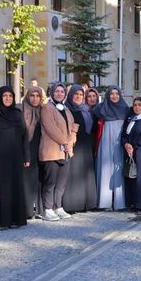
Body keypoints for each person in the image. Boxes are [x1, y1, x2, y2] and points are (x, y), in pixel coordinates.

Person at [0, 86, 30, 230]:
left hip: (16, 158)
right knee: (1, 189)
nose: (7, 98)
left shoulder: (17, 113)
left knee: (15, 188)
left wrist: (26, 156)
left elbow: (24, 136)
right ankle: (1, 221)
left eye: (10, 95)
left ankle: (15, 219)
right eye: (4, 96)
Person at [39, 83, 78, 221]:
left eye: (62, 91)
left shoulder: (66, 109)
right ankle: (48, 209)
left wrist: (71, 141)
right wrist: (65, 142)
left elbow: (73, 127)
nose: (60, 93)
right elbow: (51, 128)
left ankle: (58, 207)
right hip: (51, 150)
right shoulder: (46, 108)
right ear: (52, 93)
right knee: (50, 182)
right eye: (57, 91)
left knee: (61, 182)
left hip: (66, 151)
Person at [63, 85, 98, 213]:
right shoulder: (67, 109)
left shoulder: (87, 110)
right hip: (74, 146)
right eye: (76, 94)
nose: (78, 97)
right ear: (71, 95)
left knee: (86, 174)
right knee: (74, 174)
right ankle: (73, 204)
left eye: (81, 95)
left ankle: (87, 203)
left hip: (86, 145)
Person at [94, 86, 130, 210]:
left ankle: (119, 201)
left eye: (117, 94)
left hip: (119, 139)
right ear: (108, 95)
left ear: (120, 95)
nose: (114, 96)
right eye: (112, 94)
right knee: (105, 167)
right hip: (105, 139)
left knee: (118, 166)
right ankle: (105, 202)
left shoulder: (125, 109)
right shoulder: (100, 108)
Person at [21, 86, 45, 219]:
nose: (35, 99)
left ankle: (39, 209)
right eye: (32, 95)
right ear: (27, 96)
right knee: (27, 180)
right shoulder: (21, 109)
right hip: (26, 150)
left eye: (37, 96)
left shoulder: (43, 110)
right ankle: (27, 209)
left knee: (39, 179)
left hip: (40, 150)